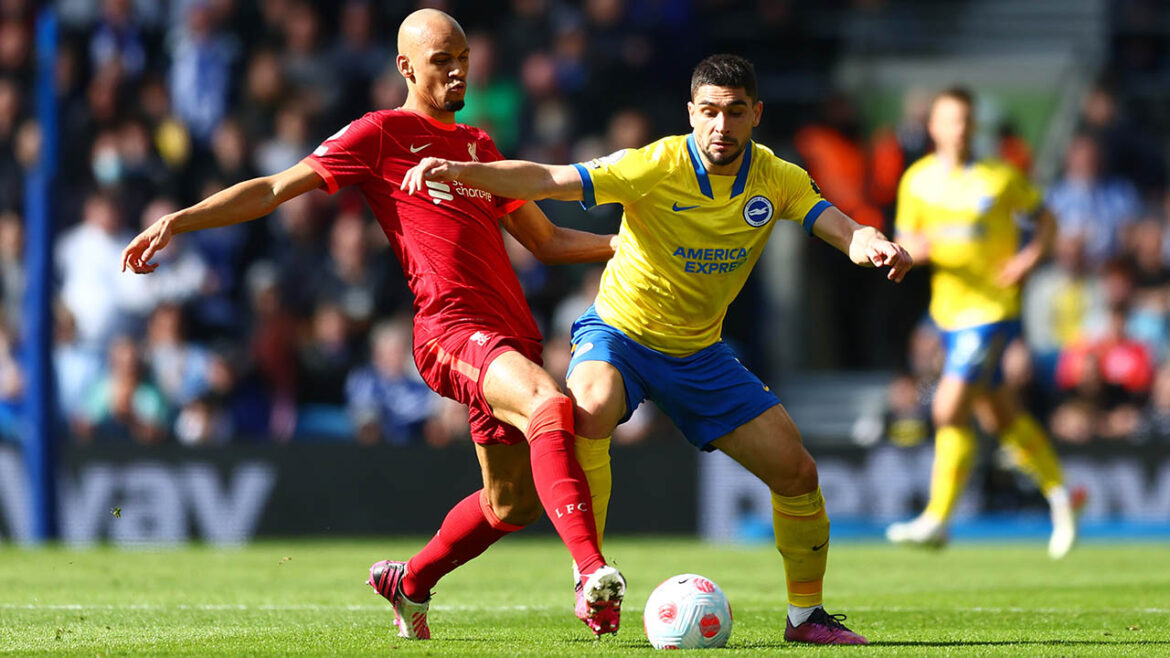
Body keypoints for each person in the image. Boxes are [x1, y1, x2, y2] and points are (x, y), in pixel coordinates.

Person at [122, 8, 626, 640]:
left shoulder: (477, 148)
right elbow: (274, 189)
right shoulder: (381, 134)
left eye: (463, 59)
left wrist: (625, 246)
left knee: (512, 503)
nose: (458, 71)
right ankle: (591, 574)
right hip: (451, 329)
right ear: (405, 67)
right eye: (442, 61)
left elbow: (547, 242)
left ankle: (409, 582)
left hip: (510, 335)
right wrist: (180, 220)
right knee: (549, 403)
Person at [403, 53, 913, 646]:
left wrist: (870, 243)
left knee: (797, 472)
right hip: (618, 334)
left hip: (699, 353)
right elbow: (549, 179)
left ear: (756, 115)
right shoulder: (653, 165)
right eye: (710, 112)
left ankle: (806, 618)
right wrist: (465, 173)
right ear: (691, 112)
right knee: (589, 407)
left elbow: (840, 226)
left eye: (735, 112)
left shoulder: (778, 177)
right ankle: (590, 576)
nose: (721, 125)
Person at [887, 87, 1084, 558]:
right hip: (947, 313)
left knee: (948, 408)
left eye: (966, 120)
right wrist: (916, 250)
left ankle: (937, 520)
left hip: (992, 310)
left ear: (974, 127)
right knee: (1000, 415)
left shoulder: (1000, 177)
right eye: (950, 120)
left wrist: (1027, 260)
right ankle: (1062, 496)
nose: (959, 129)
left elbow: (1047, 221)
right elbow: (905, 238)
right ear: (933, 127)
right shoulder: (917, 180)